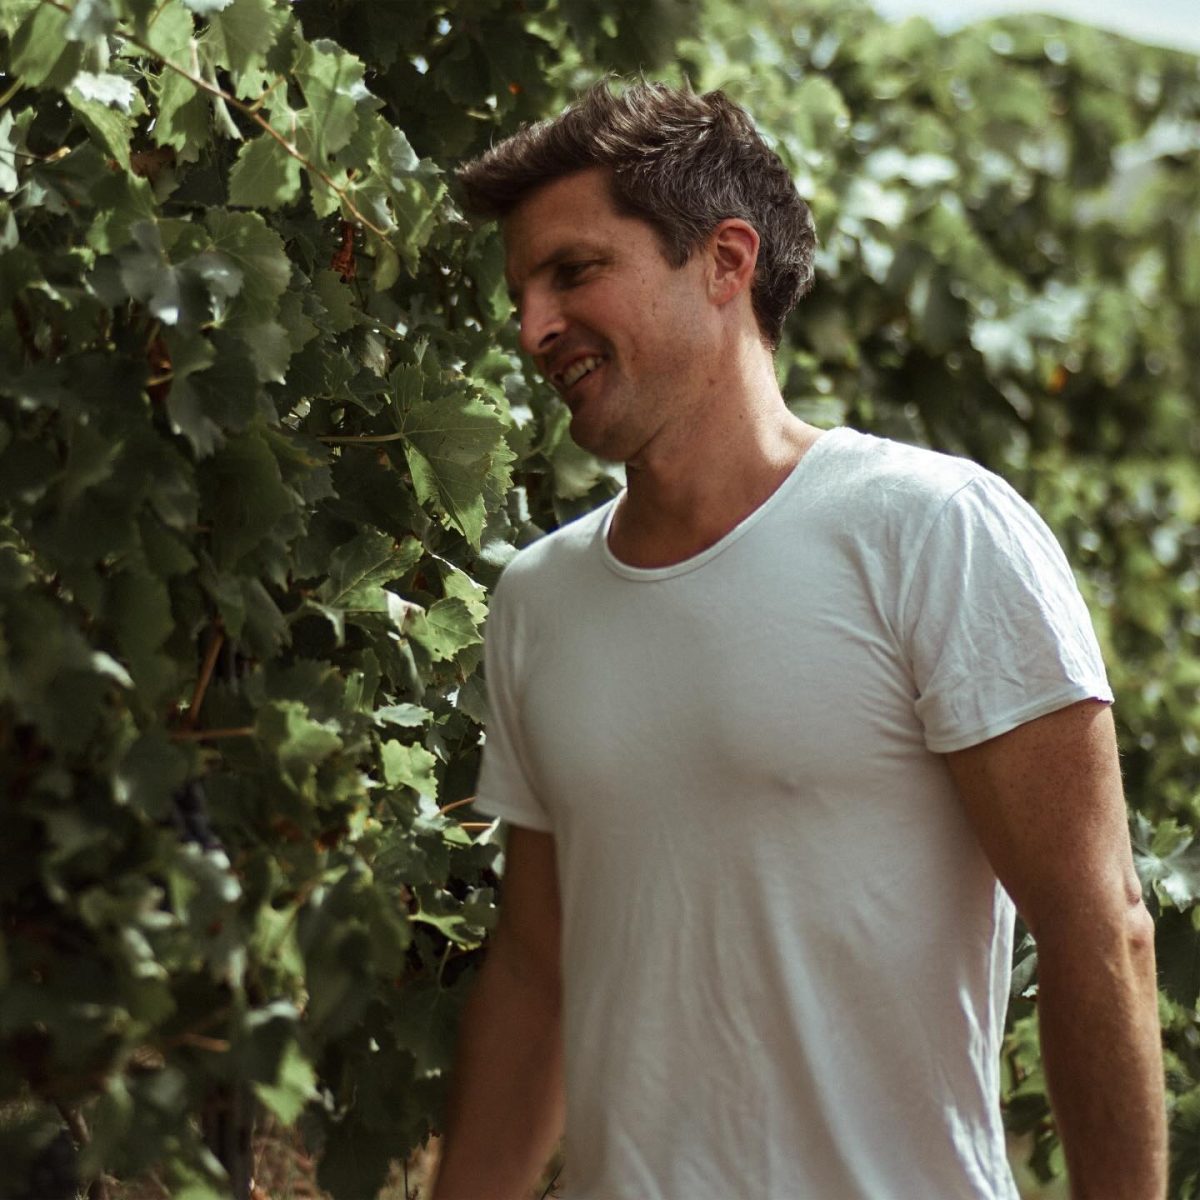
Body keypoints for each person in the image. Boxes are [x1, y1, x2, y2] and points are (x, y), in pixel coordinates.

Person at [431, 80, 1166, 1200]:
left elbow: (1096, 927)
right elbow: (537, 973)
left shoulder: (931, 532)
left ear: (726, 261)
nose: (533, 328)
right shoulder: (540, 599)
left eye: (574, 273)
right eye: (522, 291)